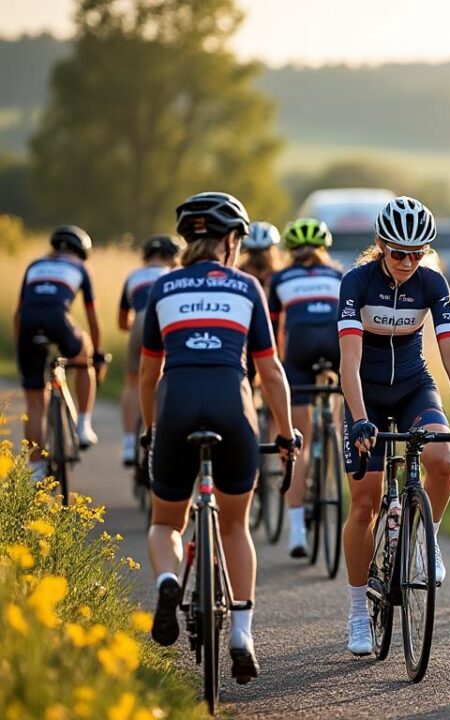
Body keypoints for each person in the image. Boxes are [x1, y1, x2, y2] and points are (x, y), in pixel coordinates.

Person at [140, 191, 298, 684]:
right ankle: (242, 634)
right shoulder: (248, 286)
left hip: (177, 404)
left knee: (166, 522)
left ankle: (169, 581)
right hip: (233, 408)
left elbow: (148, 374)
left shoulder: (163, 288)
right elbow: (270, 372)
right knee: (234, 525)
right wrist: (287, 431)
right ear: (233, 241)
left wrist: (151, 431)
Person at [338, 196, 450, 656]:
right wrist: (360, 418)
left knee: (442, 460)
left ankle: (427, 543)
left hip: (412, 386)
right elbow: (349, 359)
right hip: (364, 389)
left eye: (417, 253)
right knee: (364, 504)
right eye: (398, 252)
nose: (407, 262)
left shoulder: (432, 283)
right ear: (381, 246)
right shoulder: (356, 281)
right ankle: (358, 611)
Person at [269, 218, 342, 558]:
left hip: (298, 348)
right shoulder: (338, 275)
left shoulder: (280, 278)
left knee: (297, 438)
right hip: (335, 344)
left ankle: (296, 531)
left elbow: (270, 329)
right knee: (341, 399)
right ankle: (335, 432)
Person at [14, 225, 105, 475]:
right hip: (58, 320)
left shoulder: (34, 265)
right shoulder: (79, 267)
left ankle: (35, 470)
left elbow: (19, 313)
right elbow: (92, 316)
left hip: (28, 325)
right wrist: (97, 354)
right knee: (84, 350)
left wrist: (21, 347)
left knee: (34, 404)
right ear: (81, 252)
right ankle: (84, 426)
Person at [118, 234, 181, 467]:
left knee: (134, 382)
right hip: (165, 321)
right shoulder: (174, 275)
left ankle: (127, 444)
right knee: (167, 377)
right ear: (173, 258)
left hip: (139, 321)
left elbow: (122, 322)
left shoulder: (133, 276)